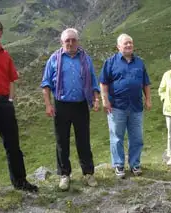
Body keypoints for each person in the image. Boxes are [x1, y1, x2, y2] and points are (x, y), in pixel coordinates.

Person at [41, 28, 100, 190]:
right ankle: (64, 175)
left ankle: (88, 173)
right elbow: (46, 84)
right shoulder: (54, 59)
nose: (70, 43)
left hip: (81, 105)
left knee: (83, 141)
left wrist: (96, 99)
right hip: (61, 106)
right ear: (62, 42)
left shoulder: (86, 59)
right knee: (62, 141)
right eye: (67, 40)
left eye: (73, 40)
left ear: (78, 41)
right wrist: (48, 104)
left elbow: (94, 81)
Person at [0, 18, 38, 192]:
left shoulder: (5, 55)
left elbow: (12, 79)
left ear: (1, 33)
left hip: (4, 104)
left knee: (13, 145)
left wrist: (10, 100)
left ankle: (20, 182)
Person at [99, 33, 151, 179]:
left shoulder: (139, 63)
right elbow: (103, 83)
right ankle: (119, 164)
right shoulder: (110, 62)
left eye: (130, 43)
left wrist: (148, 99)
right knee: (117, 137)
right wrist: (105, 100)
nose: (128, 45)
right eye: (125, 43)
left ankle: (135, 163)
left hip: (136, 107)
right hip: (117, 106)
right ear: (118, 46)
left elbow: (146, 83)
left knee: (137, 137)